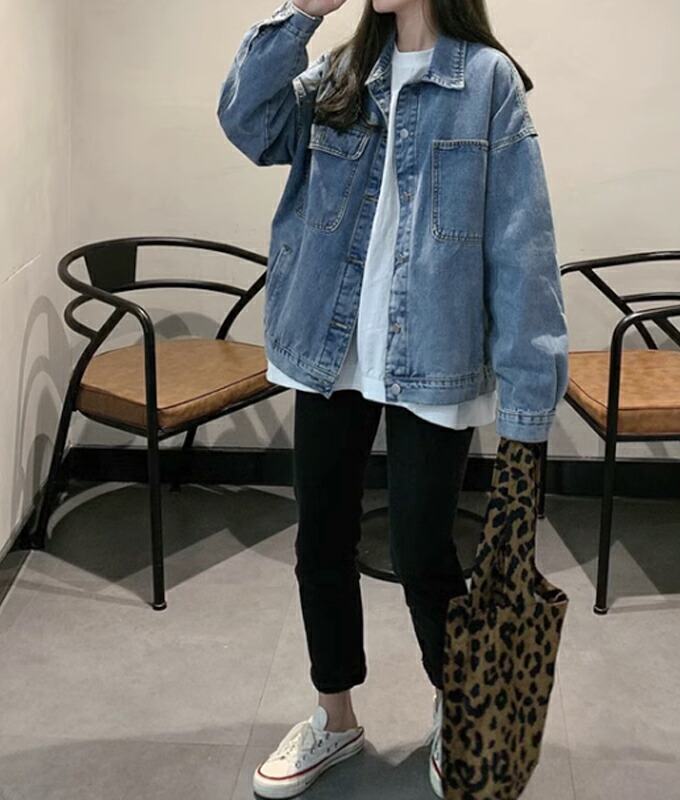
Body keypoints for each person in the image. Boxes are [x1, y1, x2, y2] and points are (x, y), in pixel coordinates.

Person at [218, 0, 568, 796]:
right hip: (331, 350)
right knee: (322, 542)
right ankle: (335, 717)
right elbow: (248, 123)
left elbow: (522, 247)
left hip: (434, 356)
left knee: (421, 552)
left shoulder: (487, 82)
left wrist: (529, 402)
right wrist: (300, 13)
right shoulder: (343, 74)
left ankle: (459, 708)